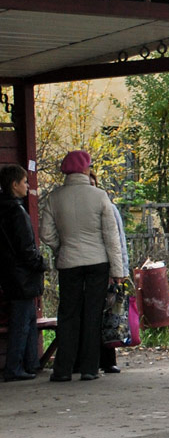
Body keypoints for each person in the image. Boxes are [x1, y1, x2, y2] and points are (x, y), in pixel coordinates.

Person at [39, 151, 126, 382]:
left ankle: (63, 369)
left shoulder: (54, 197)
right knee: (92, 314)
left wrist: (62, 247)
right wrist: (118, 271)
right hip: (98, 262)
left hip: (69, 263)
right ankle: (89, 368)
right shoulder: (99, 196)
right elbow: (111, 236)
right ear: (85, 169)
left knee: (68, 314)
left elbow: (46, 233)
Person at [1, 164, 46, 381]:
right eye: (25, 182)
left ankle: (28, 364)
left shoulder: (4, 210)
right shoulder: (17, 212)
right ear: (14, 184)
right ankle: (16, 366)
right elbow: (26, 247)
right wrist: (40, 263)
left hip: (11, 274)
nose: (28, 186)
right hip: (23, 276)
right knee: (23, 322)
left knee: (26, 319)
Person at [87, 170, 126, 375]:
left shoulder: (108, 207)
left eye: (93, 183)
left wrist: (120, 269)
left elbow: (118, 240)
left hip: (107, 270)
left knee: (109, 315)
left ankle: (108, 359)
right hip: (90, 269)